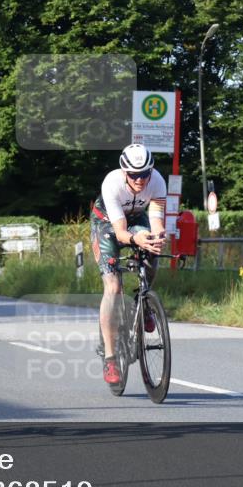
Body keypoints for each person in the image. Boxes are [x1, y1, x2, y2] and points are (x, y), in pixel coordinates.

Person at [91, 143, 167, 386]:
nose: (140, 180)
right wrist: (136, 239)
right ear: (125, 172)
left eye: (145, 174)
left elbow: (156, 221)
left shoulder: (158, 181)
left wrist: (156, 237)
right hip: (107, 224)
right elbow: (121, 232)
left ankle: (143, 304)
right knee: (113, 287)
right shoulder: (111, 183)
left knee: (153, 248)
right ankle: (110, 358)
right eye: (134, 175)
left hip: (136, 219)